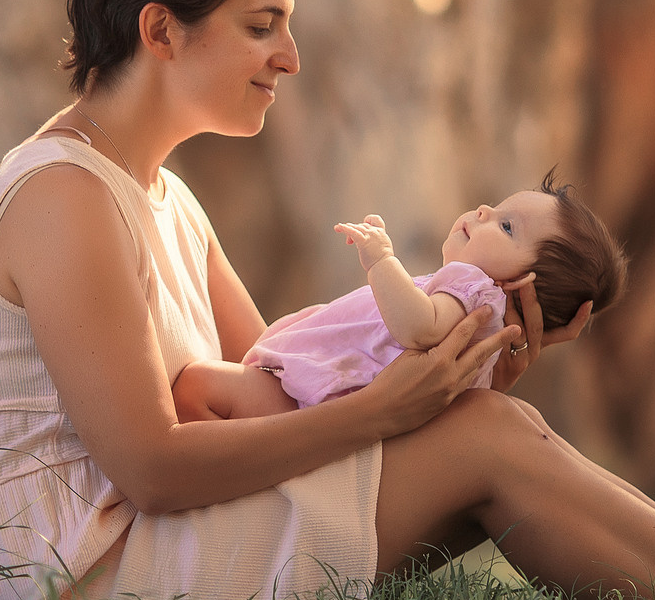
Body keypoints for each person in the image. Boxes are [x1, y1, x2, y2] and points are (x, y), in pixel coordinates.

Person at [0, 0, 655, 600]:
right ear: (162, 30)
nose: (290, 57)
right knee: (486, 441)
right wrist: (387, 413)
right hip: (75, 581)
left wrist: (455, 372)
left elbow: (284, 377)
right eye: (262, 26)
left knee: (488, 425)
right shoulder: (64, 196)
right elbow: (154, 469)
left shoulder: (164, 198)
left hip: (151, 542)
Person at [169, 177, 626, 419]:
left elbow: (418, 328)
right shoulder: (472, 306)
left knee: (198, 389)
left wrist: (382, 260)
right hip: (313, 397)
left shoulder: (473, 291)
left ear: (520, 284)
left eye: (507, 227)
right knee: (205, 390)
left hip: (309, 403)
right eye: (497, 207)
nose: (484, 211)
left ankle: (215, 497)